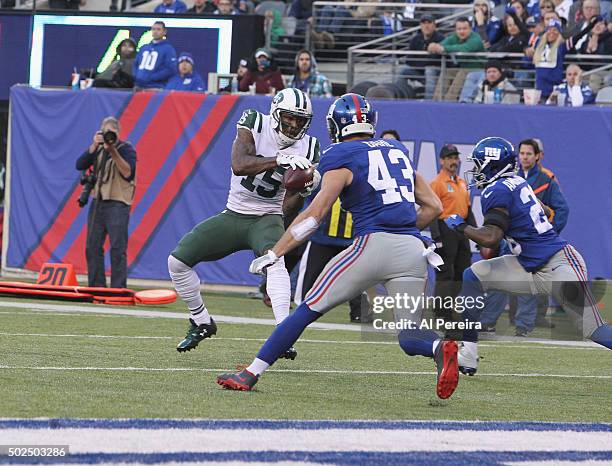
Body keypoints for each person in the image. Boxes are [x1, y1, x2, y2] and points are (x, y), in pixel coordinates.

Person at [216, 94, 460, 401]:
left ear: (337, 125)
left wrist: (274, 252)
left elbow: (314, 215)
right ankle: (439, 347)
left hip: (371, 245)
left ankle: (250, 373)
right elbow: (433, 206)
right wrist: (403, 232)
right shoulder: (397, 150)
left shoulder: (341, 154)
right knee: (409, 335)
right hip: (413, 249)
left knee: (305, 310)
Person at [168, 88, 320, 359]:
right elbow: (239, 164)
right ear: (275, 113)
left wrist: (303, 190)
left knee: (276, 262)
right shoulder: (254, 122)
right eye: (289, 117)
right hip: (234, 213)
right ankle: (202, 321)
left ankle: (283, 333)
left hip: (267, 216)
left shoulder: (310, 146)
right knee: (177, 263)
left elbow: (292, 202)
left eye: (300, 120)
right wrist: (278, 159)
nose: (294, 125)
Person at [443, 137, 612, 376]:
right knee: (473, 275)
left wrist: (461, 227)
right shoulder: (517, 180)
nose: (476, 170)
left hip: (559, 264)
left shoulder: (497, 189)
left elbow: (491, 237)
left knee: (594, 330)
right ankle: (468, 353)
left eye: (480, 164)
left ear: (493, 165)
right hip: (529, 266)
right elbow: (545, 211)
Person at [75, 117, 137, 288]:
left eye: (112, 133)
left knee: (118, 248)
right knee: (92, 246)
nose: (109, 137)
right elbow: (79, 165)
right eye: (106, 132)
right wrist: (94, 146)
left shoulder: (127, 149)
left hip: (118, 203)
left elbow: (128, 173)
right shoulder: (98, 149)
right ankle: (97, 288)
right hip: (98, 202)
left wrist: (113, 151)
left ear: (118, 133)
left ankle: (117, 290)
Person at [429, 145, 475, 321]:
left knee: (461, 272)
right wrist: (437, 238)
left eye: (455, 158)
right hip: (445, 229)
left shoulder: (462, 183)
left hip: (461, 230)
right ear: (442, 161)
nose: (454, 161)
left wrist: (475, 232)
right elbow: (433, 211)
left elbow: (468, 210)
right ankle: (441, 312)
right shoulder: (437, 183)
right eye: (449, 158)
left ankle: (450, 307)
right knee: (445, 273)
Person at [428, 17, 486, 102]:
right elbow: (441, 45)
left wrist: (443, 48)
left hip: (477, 69)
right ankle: (436, 100)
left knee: (462, 73)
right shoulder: (454, 37)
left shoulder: (476, 39)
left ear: (470, 28)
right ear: (455, 30)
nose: (461, 31)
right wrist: (433, 46)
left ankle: (449, 101)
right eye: (459, 29)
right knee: (448, 71)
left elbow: (464, 48)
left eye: (464, 28)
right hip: (463, 68)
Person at [400, 14, 445, 100]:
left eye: (429, 23)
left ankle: (428, 102)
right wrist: (424, 61)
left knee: (429, 70)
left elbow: (435, 61)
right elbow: (409, 60)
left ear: (434, 25)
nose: (426, 26)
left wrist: (421, 61)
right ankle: (401, 97)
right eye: (424, 23)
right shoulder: (416, 39)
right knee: (403, 70)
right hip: (419, 70)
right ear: (420, 25)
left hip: (435, 72)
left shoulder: (440, 38)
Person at [134, 22, 177, 89]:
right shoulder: (144, 47)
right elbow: (136, 64)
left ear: (164, 32)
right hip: (138, 86)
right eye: (153, 29)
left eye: (158, 29)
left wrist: (152, 77)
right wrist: (136, 76)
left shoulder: (168, 49)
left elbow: (170, 69)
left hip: (155, 87)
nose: (155, 31)